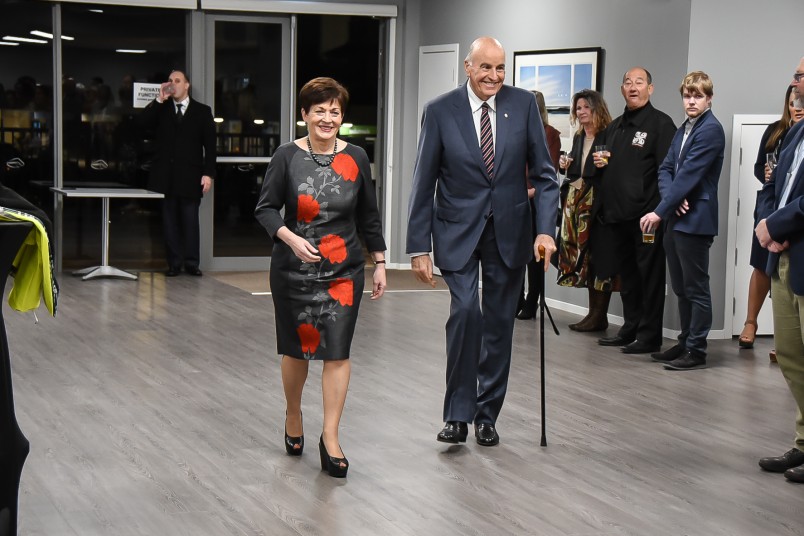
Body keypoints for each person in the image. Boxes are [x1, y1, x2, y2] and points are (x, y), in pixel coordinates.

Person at [406, 37, 559, 447]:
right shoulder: (440, 111)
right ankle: (457, 414)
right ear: (468, 68)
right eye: (485, 67)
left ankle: (487, 414)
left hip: (510, 232)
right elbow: (423, 181)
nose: (494, 76)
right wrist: (418, 246)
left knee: (498, 325)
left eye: (500, 68)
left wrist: (546, 230)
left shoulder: (523, 105)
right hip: (456, 230)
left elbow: (545, 176)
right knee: (466, 314)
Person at [255, 77, 386, 478]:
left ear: (342, 117)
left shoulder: (358, 157)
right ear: (304, 115)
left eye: (334, 112)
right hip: (294, 269)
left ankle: (330, 437)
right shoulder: (286, 156)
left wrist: (379, 261)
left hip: (344, 270)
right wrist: (291, 239)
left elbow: (368, 214)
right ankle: (293, 414)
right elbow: (265, 209)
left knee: (338, 351)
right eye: (319, 111)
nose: (327, 118)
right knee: (297, 349)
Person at [640, 71, 725, 370]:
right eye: (687, 95)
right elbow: (665, 169)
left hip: (696, 220)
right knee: (680, 287)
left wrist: (660, 209)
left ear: (709, 98)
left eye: (698, 96)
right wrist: (671, 201)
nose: (691, 101)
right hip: (677, 216)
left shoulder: (711, 130)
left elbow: (689, 174)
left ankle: (697, 350)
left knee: (696, 288)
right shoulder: (683, 129)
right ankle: (685, 341)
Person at [593, 67, 676, 354]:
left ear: (650, 88)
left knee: (650, 278)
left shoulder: (661, 125)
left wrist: (659, 211)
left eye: (639, 82)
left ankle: (649, 335)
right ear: (622, 89)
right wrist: (599, 163)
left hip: (647, 218)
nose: (633, 87)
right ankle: (630, 329)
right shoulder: (614, 128)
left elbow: (668, 171)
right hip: (618, 217)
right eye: (627, 82)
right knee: (627, 278)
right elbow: (600, 165)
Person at [755, 58, 804, 484]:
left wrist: (777, 226)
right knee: (791, 356)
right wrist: (769, 223)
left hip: (799, 249)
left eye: (802, 76)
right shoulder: (795, 132)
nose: (795, 82)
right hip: (784, 257)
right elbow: (773, 184)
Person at [739, 85, 803, 358]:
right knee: (762, 267)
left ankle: (784, 339)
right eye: (792, 102)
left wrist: (781, 225)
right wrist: (768, 222)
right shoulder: (780, 131)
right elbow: (764, 173)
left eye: (799, 101)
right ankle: (750, 322)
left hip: (795, 225)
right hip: (769, 218)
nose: (796, 107)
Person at [140, 69, 216, 277]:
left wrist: (208, 174)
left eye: (177, 80)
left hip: (191, 176)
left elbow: (210, 146)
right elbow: (141, 124)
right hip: (165, 176)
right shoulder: (162, 109)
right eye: (170, 81)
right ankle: (174, 263)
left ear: (187, 85)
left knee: (190, 220)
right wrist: (158, 99)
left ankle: (192, 262)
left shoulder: (202, 111)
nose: (173, 84)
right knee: (169, 222)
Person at [556, 89, 614, 331]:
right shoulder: (580, 137)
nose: (580, 112)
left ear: (596, 108)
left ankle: (599, 315)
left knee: (599, 259)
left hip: (598, 205)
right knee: (583, 258)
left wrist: (609, 163)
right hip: (576, 202)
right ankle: (594, 315)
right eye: (578, 108)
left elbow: (614, 171)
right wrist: (563, 164)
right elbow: (575, 170)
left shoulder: (608, 135)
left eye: (585, 108)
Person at [516, 89, 561, 320]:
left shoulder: (550, 134)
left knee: (535, 257)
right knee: (515, 255)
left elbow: (548, 172)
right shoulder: (515, 131)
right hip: (513, 202)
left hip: (534, 202)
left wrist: (530, 192)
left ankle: (533, 301)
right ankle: (517, 299)